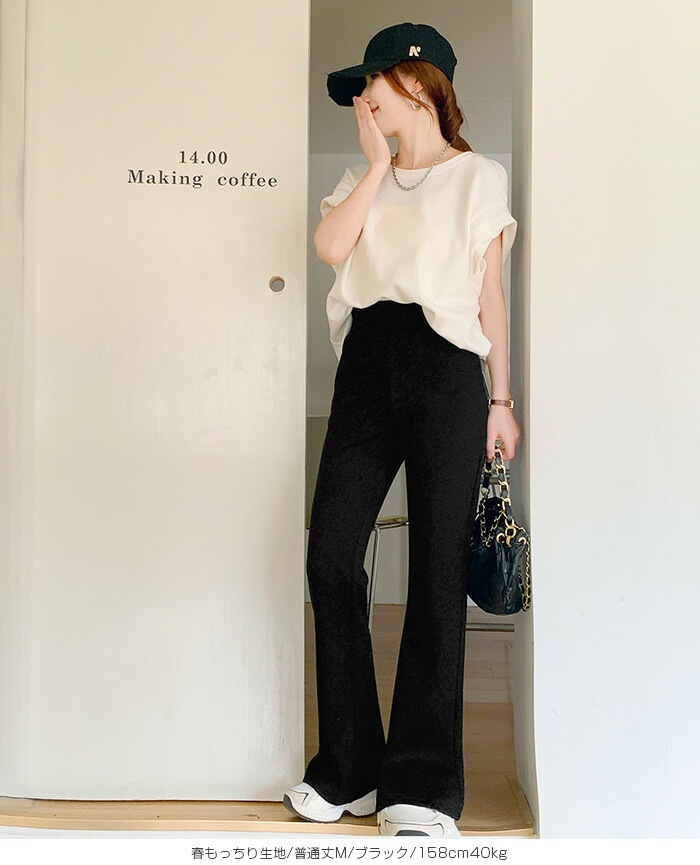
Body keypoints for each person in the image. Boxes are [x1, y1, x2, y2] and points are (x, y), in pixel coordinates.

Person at [284, 22, 521, 838]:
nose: (362, 98)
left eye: (371, 84)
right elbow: (330, 246)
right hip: (368, 362)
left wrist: (501, 400)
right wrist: (379, 167)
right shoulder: (364, 176)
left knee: (436, 568)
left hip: (448, 370)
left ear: (417, 83)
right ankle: (350, 767)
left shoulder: (478, 177)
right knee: (330, 551)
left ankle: (420, 784)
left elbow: (489, 296)